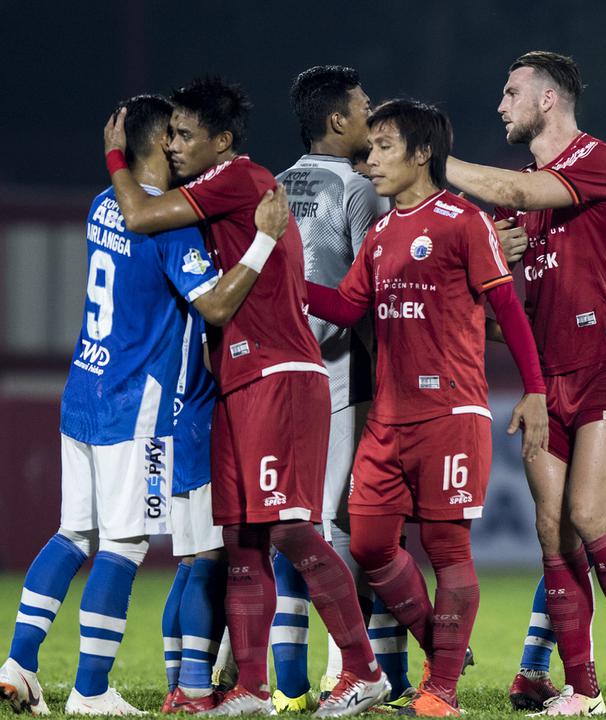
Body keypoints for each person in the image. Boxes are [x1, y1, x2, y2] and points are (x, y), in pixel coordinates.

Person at [103, 76, 388, 716]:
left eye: (184, 135)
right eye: (169, 133)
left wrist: (117, 157)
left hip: (280, 373)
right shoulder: (217, 192)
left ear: (222, 142)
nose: (173, 146)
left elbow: (140, 214)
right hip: (237, 379)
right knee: (242, 538)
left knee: (291, 528)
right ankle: (253, 689)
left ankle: (364, 671)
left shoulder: (242, 179)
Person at [0, 93, 278, 716]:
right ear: (158, 145)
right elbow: (213, 306)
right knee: (123, 546)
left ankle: (17, 663)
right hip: (138, 405)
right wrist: (261, 246)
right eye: (174, 137)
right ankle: (91, 692)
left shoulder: (103, 204)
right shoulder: (169, 225)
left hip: (82, 390)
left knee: (73, 532)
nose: (182, 148)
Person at [302, 98, 546, 717]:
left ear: (421, 154)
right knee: (369, 545)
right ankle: (441, 650)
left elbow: (510, 311)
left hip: (451, 414)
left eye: (383, 147)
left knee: (447, 550)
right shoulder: (382, 232)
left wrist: (535, 391)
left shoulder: (464, 222)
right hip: (387, 417)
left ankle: (441, 691)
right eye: (371, 147)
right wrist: (282, 278)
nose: (371, 158)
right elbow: (347, 308)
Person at [446, 51, 606, 715]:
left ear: (548, 100)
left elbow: (513, 192)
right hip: (549, 381)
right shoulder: (527, 207)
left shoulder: (598, 160)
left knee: (589, 515)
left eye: (510, 92)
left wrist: (434, 166)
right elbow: (497, 319)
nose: (500, 105)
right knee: (554, 531)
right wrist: (485, 264)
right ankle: (581, 687)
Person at [268, 64, 410, 712]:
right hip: (335, 370)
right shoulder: (358, 187)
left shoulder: (272, 185)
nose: (372, 119)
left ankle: (284, 680)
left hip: (271, 371)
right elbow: (370, 295)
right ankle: (344, 670)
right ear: (337, 123)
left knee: (285, 518)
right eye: (363, 108)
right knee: (339, 522)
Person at [160, 304, 226, 715]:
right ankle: (196, 686)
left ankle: (176, 686)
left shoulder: (173, 293)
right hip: (207, 430)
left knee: (189, 562)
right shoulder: (209, 288)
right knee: (212, 561)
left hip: (176, 428)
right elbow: (211, 356)